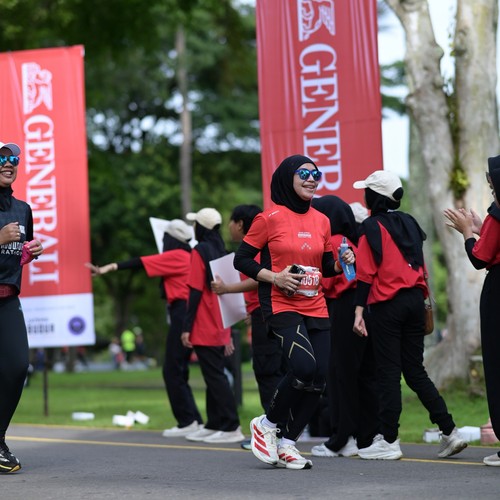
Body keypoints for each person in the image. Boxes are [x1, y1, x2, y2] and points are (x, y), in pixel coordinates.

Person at [234, 154, 354, 470]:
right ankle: (267, 424)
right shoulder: (269, 218)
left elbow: (324, 266)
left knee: (319, 377)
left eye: (316, 174)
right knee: (303, 366)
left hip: (315, 303)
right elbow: (241, 259)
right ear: (288, 177)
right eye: (304, 173)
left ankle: (288, 443)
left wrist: (341, 263)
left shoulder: (322, 220)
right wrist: (275, 277)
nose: (312, 179)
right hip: (280, 303)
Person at [352, 169, 467, 460]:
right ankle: (450, 431)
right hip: (416, 301)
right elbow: (421, 267)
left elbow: (365, 274)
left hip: (387, 306)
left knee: (388, 373)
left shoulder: (370, 227)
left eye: (367, 191)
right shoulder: (410, 223)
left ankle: (389, 440)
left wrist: (358, 311)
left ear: (374, 197)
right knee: (415, 371)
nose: (364, 195)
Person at [87, 219, 203, 437]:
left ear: (171, 239)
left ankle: (188, 421)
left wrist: (107, 268)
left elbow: (139, 262)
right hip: (187, 313)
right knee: (179, 370)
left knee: (172, 370)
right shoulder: (189, 256)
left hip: (182, 312)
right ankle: (194, 420)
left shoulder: (177, 256)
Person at [310, 195, 379, 458]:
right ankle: (364, 435)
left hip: (343, 307)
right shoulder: (354, 241)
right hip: (364, 305)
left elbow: (327, 282)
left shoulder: (335, 242)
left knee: (341, 374)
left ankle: (342, 438)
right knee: (363, 374)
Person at [211, 204, 285, 449]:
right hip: (263, 313)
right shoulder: (265, 243)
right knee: (272, 371)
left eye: (231, 222)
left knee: (267, 372)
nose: (228, 227)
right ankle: (279, 429)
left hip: (267, 316)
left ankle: (273, 433)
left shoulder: (256, 245)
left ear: (240, 224)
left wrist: (227, 289)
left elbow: (260, 277)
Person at [443, 156, 500, 466]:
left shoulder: (497, 214)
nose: (492, 191)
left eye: (493, 186)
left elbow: (479, 257)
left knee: (496, 363)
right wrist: (481, 228)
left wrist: (468, 232)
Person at [181, 207, 245, 444]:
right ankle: (214, 423)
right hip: (220, 322)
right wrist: (227, 331)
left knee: (215, 376)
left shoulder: (199, 251)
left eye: (195, 223)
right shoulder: (223, 251)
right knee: (213, 376)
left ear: (201, 227)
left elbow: (195, 291)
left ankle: (231, 425)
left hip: (204, 323)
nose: (193, 227)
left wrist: (186, 327)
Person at [0, 141, 44, 473]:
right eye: (1, 158)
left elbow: (15, 256)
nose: (8, 163)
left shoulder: (22, 208)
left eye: (13, 158)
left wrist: (28, 252)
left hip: (7, 299)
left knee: (17, 367)